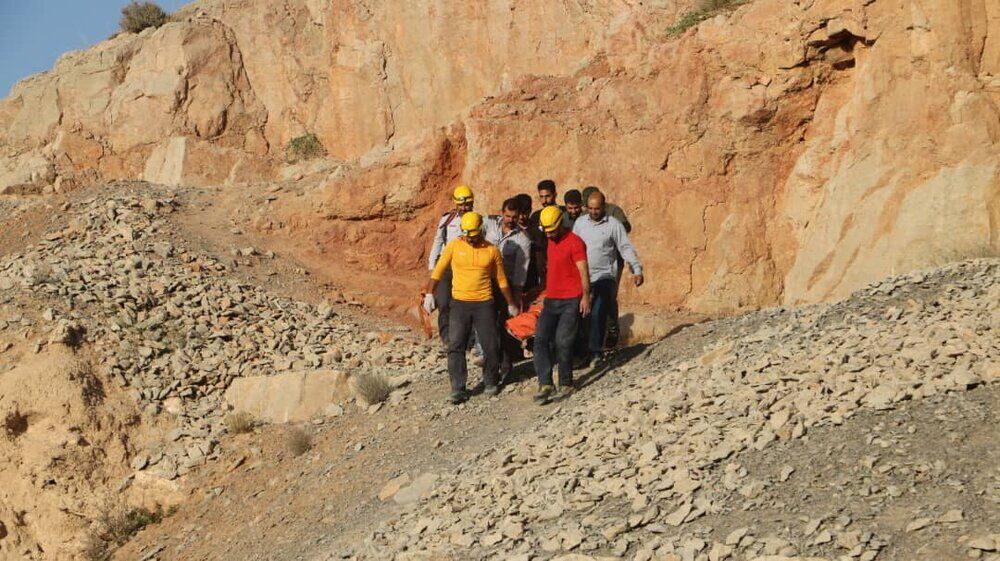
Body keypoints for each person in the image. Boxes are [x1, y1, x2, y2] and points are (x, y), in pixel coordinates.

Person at [424, 212, 520, 403]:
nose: (470, 238)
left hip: (484, 304)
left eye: (474, 235)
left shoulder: (491, 251)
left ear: (481, 231)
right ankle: (458, 388)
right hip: (459, 304)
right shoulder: (454, 246)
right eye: (467, 235)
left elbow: (501, 280)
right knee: (456, 345)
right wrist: (429, 293)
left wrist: (511, 303)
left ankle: (491, 381)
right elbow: (438, 269)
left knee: (491, 345)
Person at [572, 191, 643, 366]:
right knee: (579, 313)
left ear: (604, 207)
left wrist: (636, 269)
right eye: (590, 208)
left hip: (604, 275)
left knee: (598, 310)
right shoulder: (580, 223)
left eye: (597, 208)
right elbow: (572, 247)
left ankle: (596, 352)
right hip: (583, 276)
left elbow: (625, 247)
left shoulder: (614, 225)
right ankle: (581, 353)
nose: (594, 212)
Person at [533, 205, 590, 405]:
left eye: (552, 230)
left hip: (571, 300)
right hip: (551, 300)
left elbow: (583, 270)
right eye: (546, 231)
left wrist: (585, 297)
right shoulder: (548, 240)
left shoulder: (575, 243)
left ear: (561, 223)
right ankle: (545, 383)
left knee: (562, 341)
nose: (549, 234)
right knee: (540, 340)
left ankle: (566, 382)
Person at [485, 198, 532, 380]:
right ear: (501, 212)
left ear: (519, 216)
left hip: (506, 288)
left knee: (504, 327)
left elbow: (522, 271)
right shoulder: (488, 224)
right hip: (485, 284)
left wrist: (515, 298)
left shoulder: (523, 240)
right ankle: (490, 365)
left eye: (514, 216)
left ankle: (506, 366)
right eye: (507, 215)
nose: (510, 219)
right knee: (488, 326)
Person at [580, 186, 631, 347]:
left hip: (610, 263)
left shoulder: (613, 212)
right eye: (589, 207)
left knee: (608, 297)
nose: (591, 211)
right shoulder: (584, 217)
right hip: (588, 263)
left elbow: (625, 228)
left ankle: (612, 328)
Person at [426, 185, 476, 344]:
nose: (464, 207)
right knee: (444, 301)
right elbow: (438, 241)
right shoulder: (447, 219)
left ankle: (469, 339)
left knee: (466, 303)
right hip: (447, 266)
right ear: (455, 203)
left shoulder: (477, 219)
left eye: (467, 204)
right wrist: (432, 266)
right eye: (461, 204)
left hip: (468, 268)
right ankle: (446, 338)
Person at [527, 180, 561, 290]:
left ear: (555, 195)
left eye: (547, 196)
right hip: (541, 267)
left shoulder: (563, 214)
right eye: (541, 197)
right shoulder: (535, 217)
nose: (544, 200)